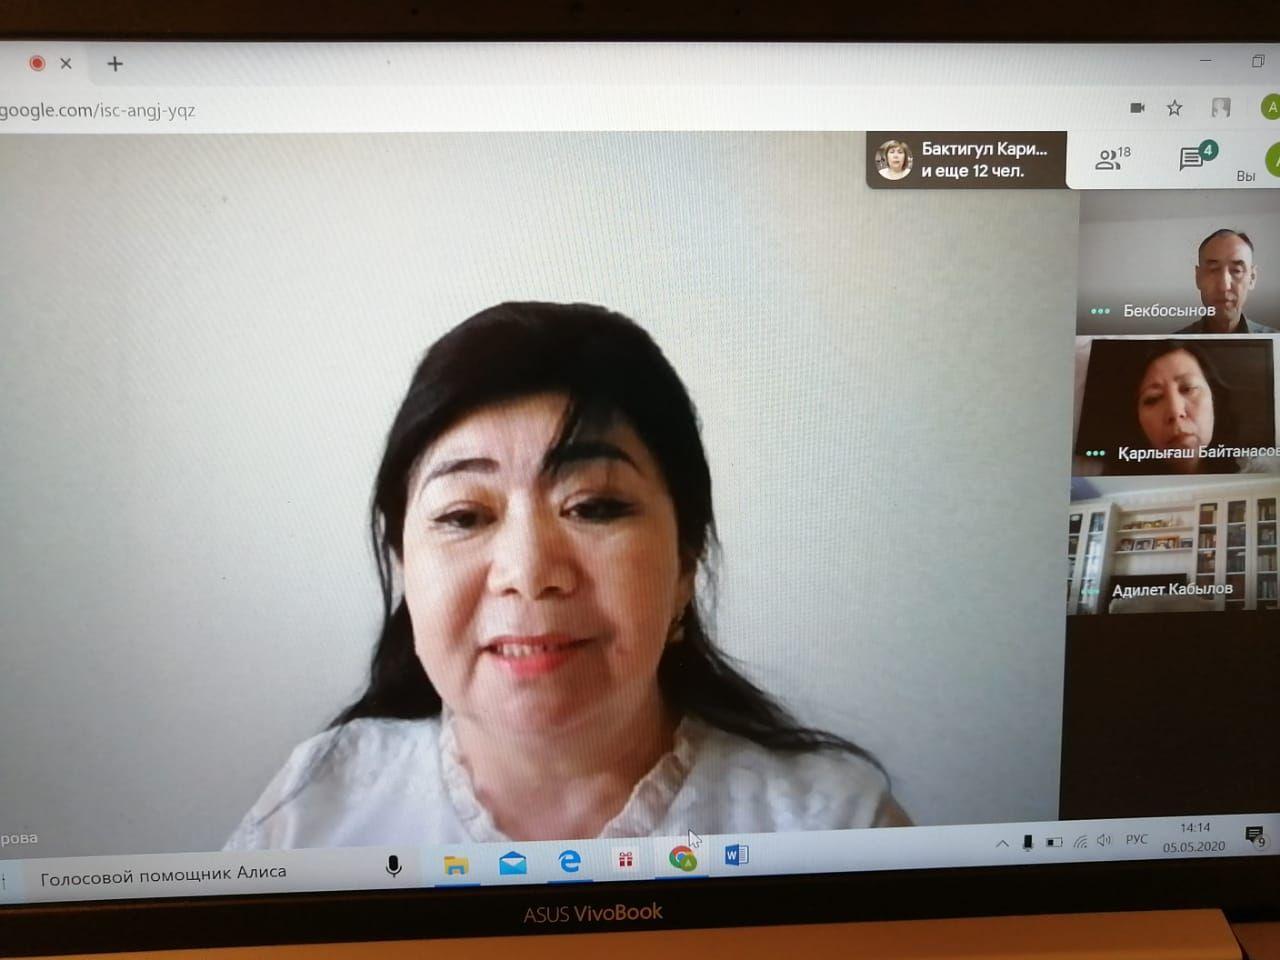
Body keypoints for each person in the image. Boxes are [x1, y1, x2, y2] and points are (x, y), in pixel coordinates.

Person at [226, 302, 908, 849]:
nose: (528, 573)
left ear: (685, 562)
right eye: (464, 516)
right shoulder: (308, 813)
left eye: (594, 506)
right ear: (404, 568)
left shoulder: (837, 830)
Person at [1099, 341, 1243, 476]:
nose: (1175, 411)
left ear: (1214, 399)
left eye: (1188, 388)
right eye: (1153, 398)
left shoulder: (1251, 470)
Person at [1177, 228, 1278, 335]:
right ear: (1198, 277)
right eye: (1213, 270)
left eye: (1237, 270)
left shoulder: (1276, 343)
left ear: (1252, 278)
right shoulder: (1171, 344)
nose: (1224, 286)